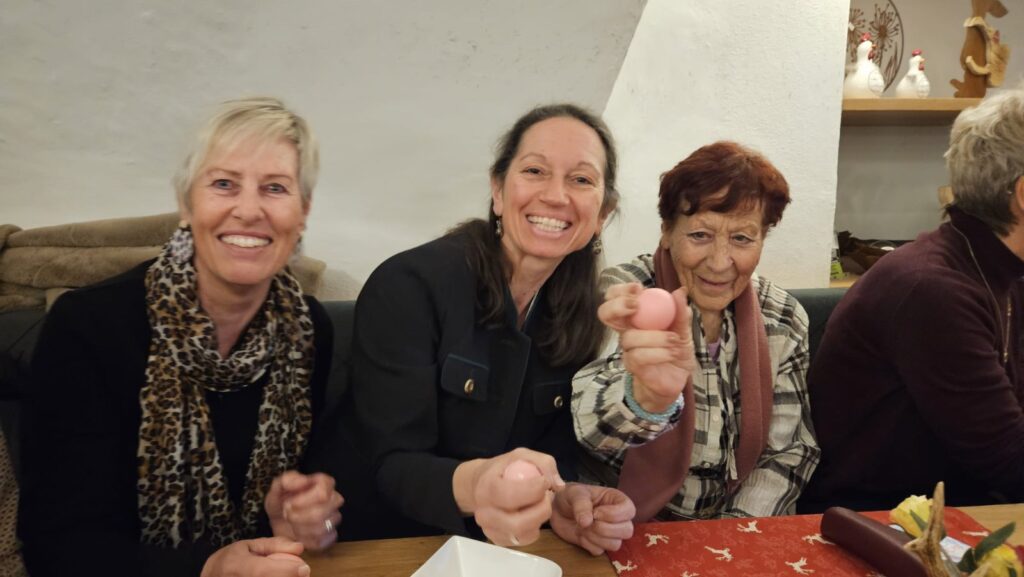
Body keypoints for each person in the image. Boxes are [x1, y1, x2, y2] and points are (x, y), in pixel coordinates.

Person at [18, 97, 340, 577]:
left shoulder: (308, 329)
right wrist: (207, 568)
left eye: (275, 188)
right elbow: (55, 547)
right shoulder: (89, 326)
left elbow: (309, 528)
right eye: (224, 184)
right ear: (187, 204)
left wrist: (306, 521)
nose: (248, 210)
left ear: (303, 211)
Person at [348, 104, 635, 553]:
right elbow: (388, 464)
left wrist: (562, 501)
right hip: (382, 548)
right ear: (498, 190)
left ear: (602, 214)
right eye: (535, 171)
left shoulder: (582, 311)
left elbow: (554, 452)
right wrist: (479, 484)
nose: (556, 196)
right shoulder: (410, 284)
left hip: (500, 555)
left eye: (581, 179)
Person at [800, 88, 1024, 512]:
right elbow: (1009, 463)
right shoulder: (933, 290)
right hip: (878, 524)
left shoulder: (1002, 269)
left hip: (960, 512)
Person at [574, 141, 820, 522]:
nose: (720, 262)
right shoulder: (627, 294)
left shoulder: (783, 317)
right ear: (667, 231)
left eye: (742, 238)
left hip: (734, 528)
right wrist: (646, 398)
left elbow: (787, 453)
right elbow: (590, 429)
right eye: (700, 235)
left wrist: (732, 536)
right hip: (623, 522)